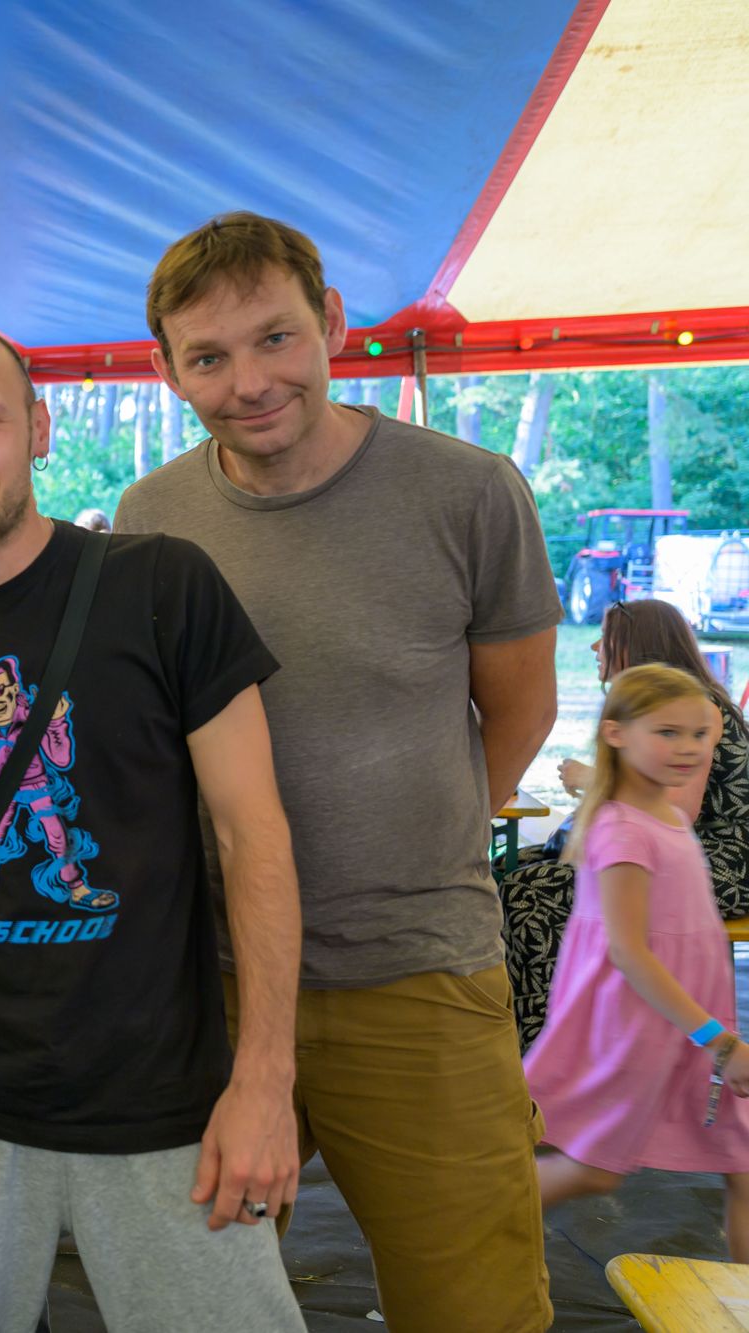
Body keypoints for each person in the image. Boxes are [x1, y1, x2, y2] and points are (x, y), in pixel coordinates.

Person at [114, 211, 560, 1332]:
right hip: (212, 984)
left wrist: (421, 839)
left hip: (418, 975)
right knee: (196, 1300)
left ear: (331, 323)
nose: (248, 381)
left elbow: (519, 706)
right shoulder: (150, 518)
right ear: (167, 371)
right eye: (208, 357)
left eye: (274, 338)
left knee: (474, 1306)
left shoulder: (467, 490)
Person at [0, 319, 306, 1333]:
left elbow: (252, 833)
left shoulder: (162, 585)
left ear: (38, 428)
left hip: (158, 1098)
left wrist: (265, 1078)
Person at [527, 663, 749, 1258]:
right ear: (616, 733)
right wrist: (720, 1043)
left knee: (744, 1164)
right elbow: (628, 953)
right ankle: (466, 1214)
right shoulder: (624, 832)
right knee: (597, 1169)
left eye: (699, 734)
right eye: (668, 733)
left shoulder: (667, 815)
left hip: (690, 1020)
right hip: (646, 1024)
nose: (689, 748)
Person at [502, 599, 749, 1047]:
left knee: (530, 893)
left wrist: (594, 780)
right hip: (666, 849)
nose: (595, 646)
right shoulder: (654, 708)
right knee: (509, 870)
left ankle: (550, 1041)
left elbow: (677, 813)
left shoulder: (695, 708)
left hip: (719, 861)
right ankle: (519, 1030)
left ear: (637, 645)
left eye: (606, 637)